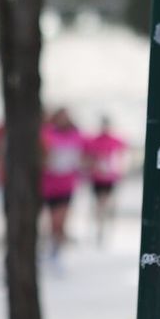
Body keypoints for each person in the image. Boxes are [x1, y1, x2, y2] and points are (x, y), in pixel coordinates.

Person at [40, 107, 86, 264]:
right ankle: (52, 247)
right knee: (53, 221)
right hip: (49, 184)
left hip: (68, 184)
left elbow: (83, 155)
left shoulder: (76, 135)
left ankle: (57, 251)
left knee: (61, 220)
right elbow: (42, 156)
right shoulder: (47, 133)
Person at [83, 116, 128, 246]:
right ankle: (99, 227)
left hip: (110, 178)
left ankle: (103, 227)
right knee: (99, 204)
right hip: (97, 177)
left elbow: (122, 157)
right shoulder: (94, 141)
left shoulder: (116, 141)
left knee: (106, 203)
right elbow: (87, 157)